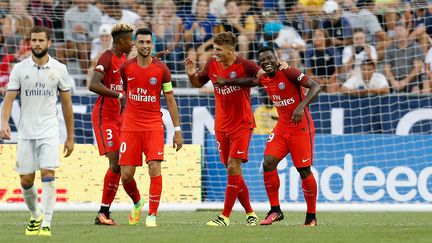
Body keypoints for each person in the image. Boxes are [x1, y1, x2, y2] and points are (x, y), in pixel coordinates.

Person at [215, 46, 320, 226]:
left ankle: (311, 216)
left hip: (301, 128)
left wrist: (300, 107)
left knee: (304, 170)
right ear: (260, 64)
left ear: (276, 58)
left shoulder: (288, 72)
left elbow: (315, 87)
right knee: (268, 163)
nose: (267, 62)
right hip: (282, 128)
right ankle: (275, 210)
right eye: (263, 60)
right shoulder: (264, 78)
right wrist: (227, 82)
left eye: (270, 58)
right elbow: (249, 81)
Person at [184, 31, 265, 227]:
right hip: (221, 125)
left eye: (219, 50)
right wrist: (190, 74)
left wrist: (229, 81)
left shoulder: (245, 65)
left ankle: (224, 216)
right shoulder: (212, 64)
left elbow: (262, 79)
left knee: (232, 166)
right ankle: (251, 213)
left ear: (231, 50)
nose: (215, 53)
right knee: (233, 171)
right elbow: (198, 83)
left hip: (242, 123)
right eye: (214, 49)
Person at [0, 26, 74, 236]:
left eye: (41, 40)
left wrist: (70, 136)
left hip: (49, 130)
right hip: (26, 132)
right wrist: (4, 123)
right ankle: (35, 214)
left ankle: (47, 223)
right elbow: (9, 98)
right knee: (26, 180)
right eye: (34, 40)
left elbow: (67, 104)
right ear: (30, 42)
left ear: (49, 43)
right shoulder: (20, 69)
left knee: (49, 173)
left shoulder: (59, 69)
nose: (37, 44)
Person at [119, 28, 183, 227]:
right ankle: (138, 202)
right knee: (126, 175)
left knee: (154, 167)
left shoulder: (162, 70)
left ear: (152, 44)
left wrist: (177, 130)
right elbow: (126, 92)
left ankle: (152, 215)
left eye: (148, 42)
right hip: (130, 126)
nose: (145, 45)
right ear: (135, 44)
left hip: (154, 125)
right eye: (141, 42)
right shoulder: (126, 68)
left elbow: (170, 99)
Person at [88, 23, 134, 226]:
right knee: (115, 163)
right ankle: (102, 212)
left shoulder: (124, 59)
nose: (132, 43)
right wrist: (117, 94)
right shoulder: (106, 58)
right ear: (122, 41)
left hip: (120, 118)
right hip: (104, 117)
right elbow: (93, 84)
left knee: (120, 165)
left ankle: (104, 212)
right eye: (131, 40)